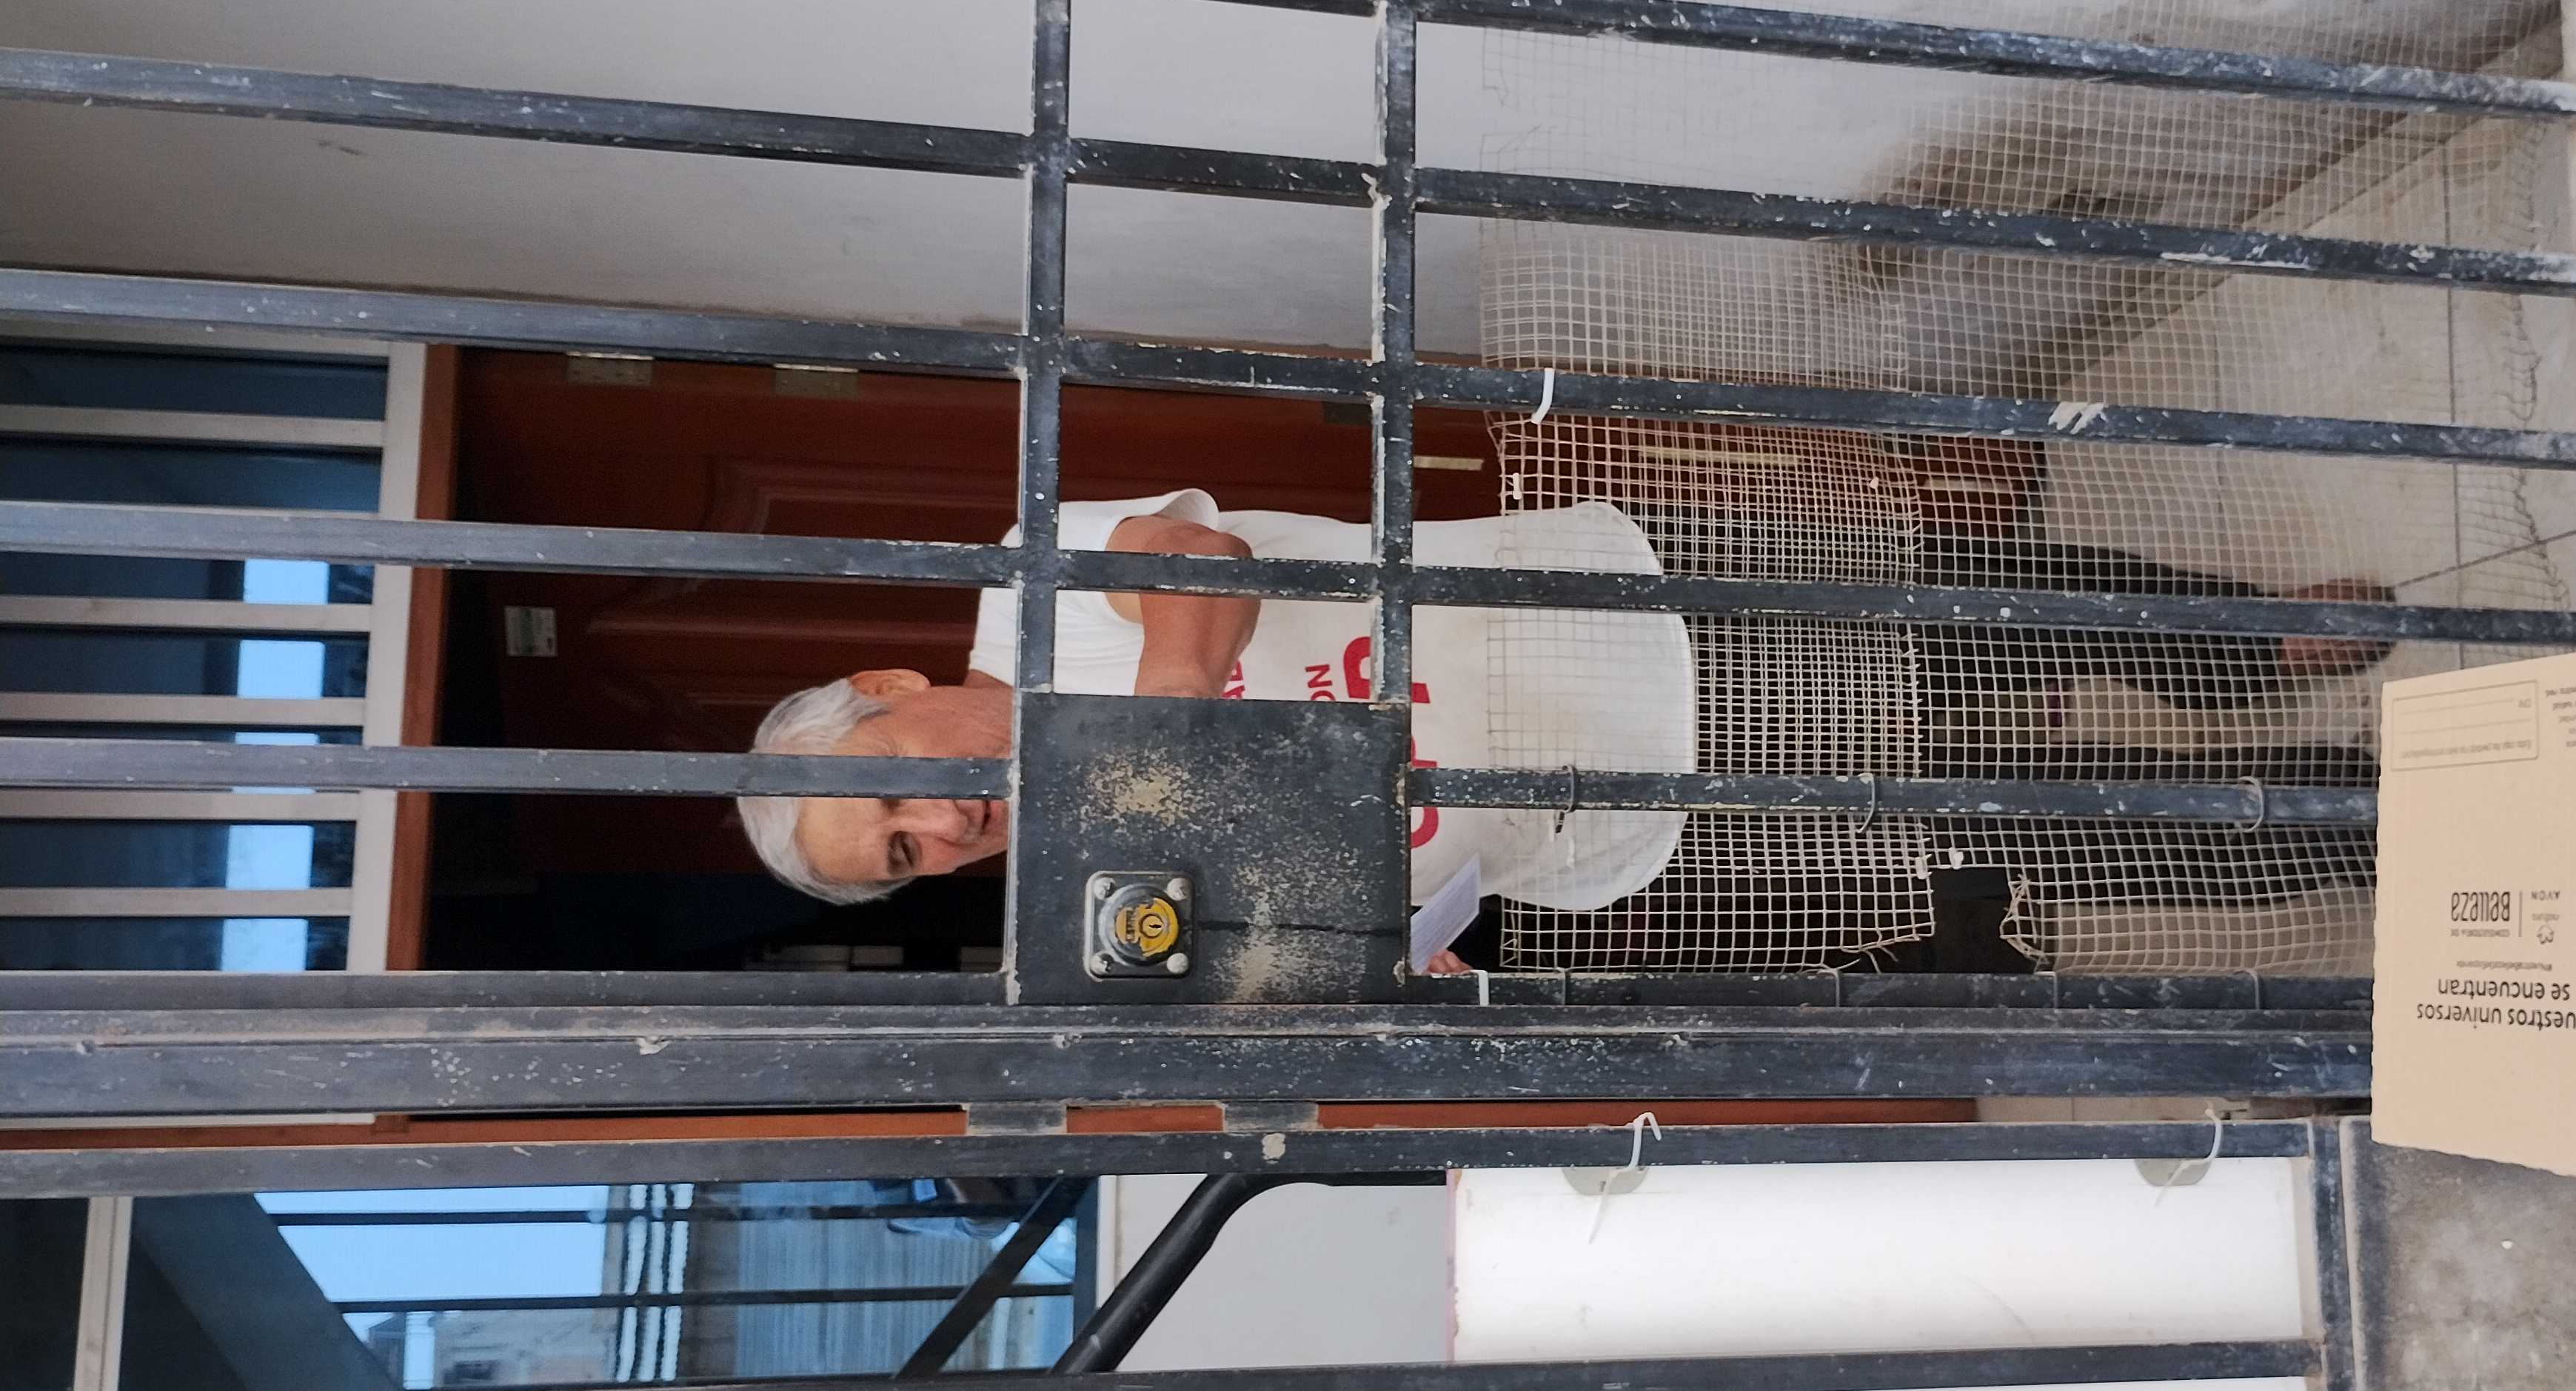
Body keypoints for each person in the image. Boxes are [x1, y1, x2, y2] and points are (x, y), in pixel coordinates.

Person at [739, 480, 2390, 972]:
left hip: (1624, 607)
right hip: (1626, 817)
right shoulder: (1108, 904)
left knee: (1967, 610)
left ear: (892, 690)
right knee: (2022, 835)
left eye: (896, 793)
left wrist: (1161, 751)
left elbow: (1200, 559)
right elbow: (1320, 946)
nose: (942, 829)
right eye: (905, 859)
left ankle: (2246, 647)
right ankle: (2355, 818)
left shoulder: (1029, 595)